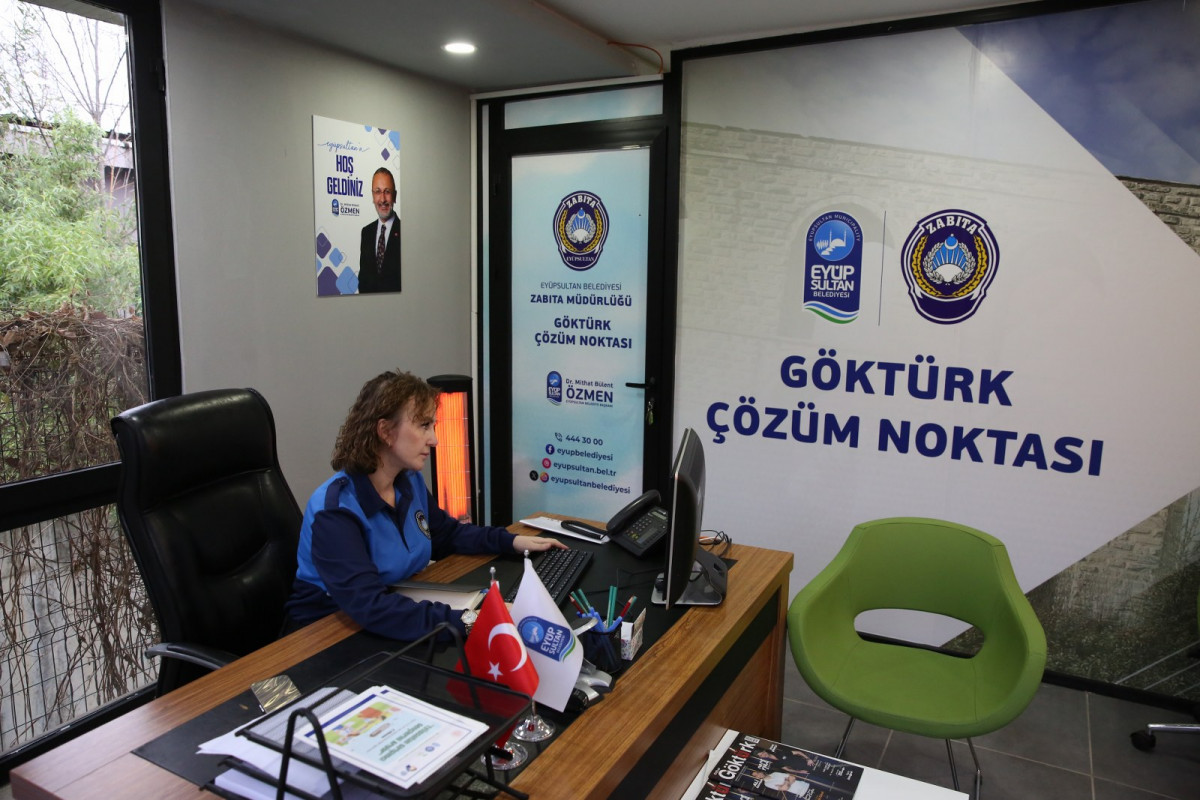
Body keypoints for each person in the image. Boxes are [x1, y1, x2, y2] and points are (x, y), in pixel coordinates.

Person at [284, 369, 566, 641]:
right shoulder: (335, 510)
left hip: (390, 612)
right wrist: (471, 621)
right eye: (423, 426)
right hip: (326, 633)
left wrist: (512, 541)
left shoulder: (408, 481)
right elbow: (371, 607)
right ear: (385, 431)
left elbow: (447, 535)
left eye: (433, 426)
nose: (434, 439)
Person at [358, 167, 401, 293]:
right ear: (372, 196)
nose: (382, 199)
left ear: (395, 196)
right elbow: (363, 281)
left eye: (387, 192)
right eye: (377, 192)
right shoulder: (366, 233)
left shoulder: (406, 232)